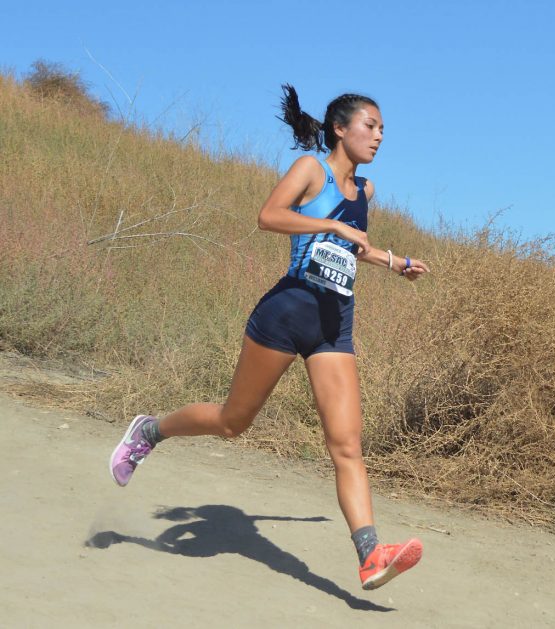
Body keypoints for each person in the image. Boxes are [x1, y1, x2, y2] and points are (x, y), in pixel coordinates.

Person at [109, 84, 430, 591]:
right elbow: (269, 217)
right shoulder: (311, 169)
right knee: (233, 421)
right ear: (340, 129)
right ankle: (150, 431)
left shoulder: (365, 192)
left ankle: (371, 555)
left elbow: (353, 247)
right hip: (286, 312)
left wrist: (395, 262)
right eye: (371, 125)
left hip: (333, 324)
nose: (379, 136)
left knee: (346, 444)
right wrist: (335, 228)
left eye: (384, 129)